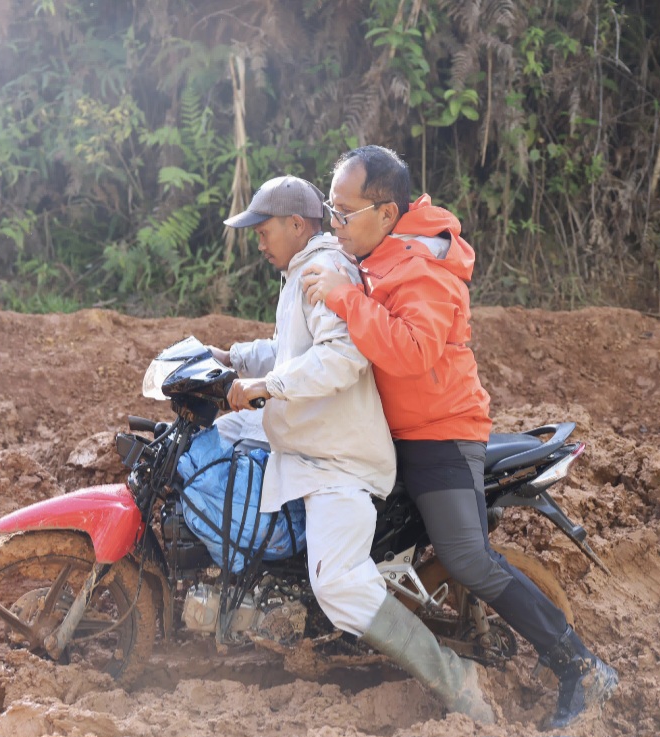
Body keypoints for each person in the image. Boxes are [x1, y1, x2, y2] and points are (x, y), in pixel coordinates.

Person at [301, 145, 618, 730]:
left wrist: (344, 300)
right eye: (329, 208)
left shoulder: (420, 269)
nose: (334, 222)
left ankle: (583, 667)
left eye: (343, 212)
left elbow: (415, 352)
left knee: (468, 558)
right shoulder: (379, 257)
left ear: (388, 212)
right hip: (396, 434)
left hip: (439, 437)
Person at [209, 174, 496, 724]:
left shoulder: (326, 269)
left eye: (264, 230)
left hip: (337, 461)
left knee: (337, 584)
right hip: (311, 448)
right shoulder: (301, 270)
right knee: (230, 440)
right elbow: (292, 348)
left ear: (297, 225)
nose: (259, 242)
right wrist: (231, 359)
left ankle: (451, 676)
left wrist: (265, 387)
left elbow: (341, 358)